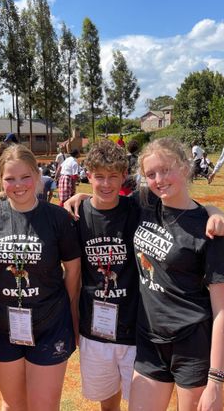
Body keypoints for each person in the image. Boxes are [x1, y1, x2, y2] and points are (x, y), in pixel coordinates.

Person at [129, 138, 224, 411]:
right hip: (149, 338)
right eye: (151, 174)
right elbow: (106, 202)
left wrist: (215, 380)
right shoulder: (145, 203)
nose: (158, 180)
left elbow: (222, 310)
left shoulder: (210, 229)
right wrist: (81, 198)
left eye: (166, 170)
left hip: (192, 344)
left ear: (185, 167)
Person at [0, 144, 81, 410]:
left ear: (37, 175)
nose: (18, 185)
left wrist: (71, 314)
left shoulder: (57, 218)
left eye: (25, 176)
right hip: (2, 326)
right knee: (13, 405)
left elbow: (73, 270)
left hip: (50, 324)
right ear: (0, 180)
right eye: (10, 178)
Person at [74, 140, 140, 410]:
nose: (106, 183)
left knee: (141, 402)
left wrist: (213, 211)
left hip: (135, 327)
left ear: (124, 176)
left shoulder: (137, 209)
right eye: (99, 176)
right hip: (95, 330)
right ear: (88, 176)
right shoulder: (76, 215)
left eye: (113, 176)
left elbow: (179, 203)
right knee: (108, 403)